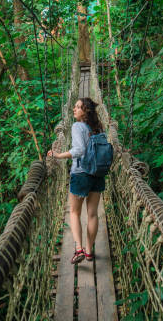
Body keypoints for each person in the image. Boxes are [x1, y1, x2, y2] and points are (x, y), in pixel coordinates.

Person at [47, 97, 105, 264]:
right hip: (98, 174)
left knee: (74, 212)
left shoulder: (77, 126)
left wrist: (58, 155)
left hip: (80, 174)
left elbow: (79, 150)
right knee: (93, 214)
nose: (74, 109)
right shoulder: (99, 128)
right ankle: (89, 252)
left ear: (85, 111)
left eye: (78, 107)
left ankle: (79, 249)